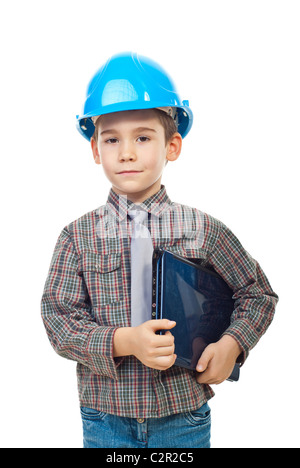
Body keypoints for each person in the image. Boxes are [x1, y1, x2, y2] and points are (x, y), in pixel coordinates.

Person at [41, 52, 278, 449]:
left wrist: (232, 344)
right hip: (106, 417)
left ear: (172, 145)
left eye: (143, 137)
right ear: (96, 150)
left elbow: (258, 295)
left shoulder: (202, 229)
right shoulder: (77, 237)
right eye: (111, 138)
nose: (127, 152)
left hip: (181, 416)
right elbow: (59, 321)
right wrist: (124, 342)